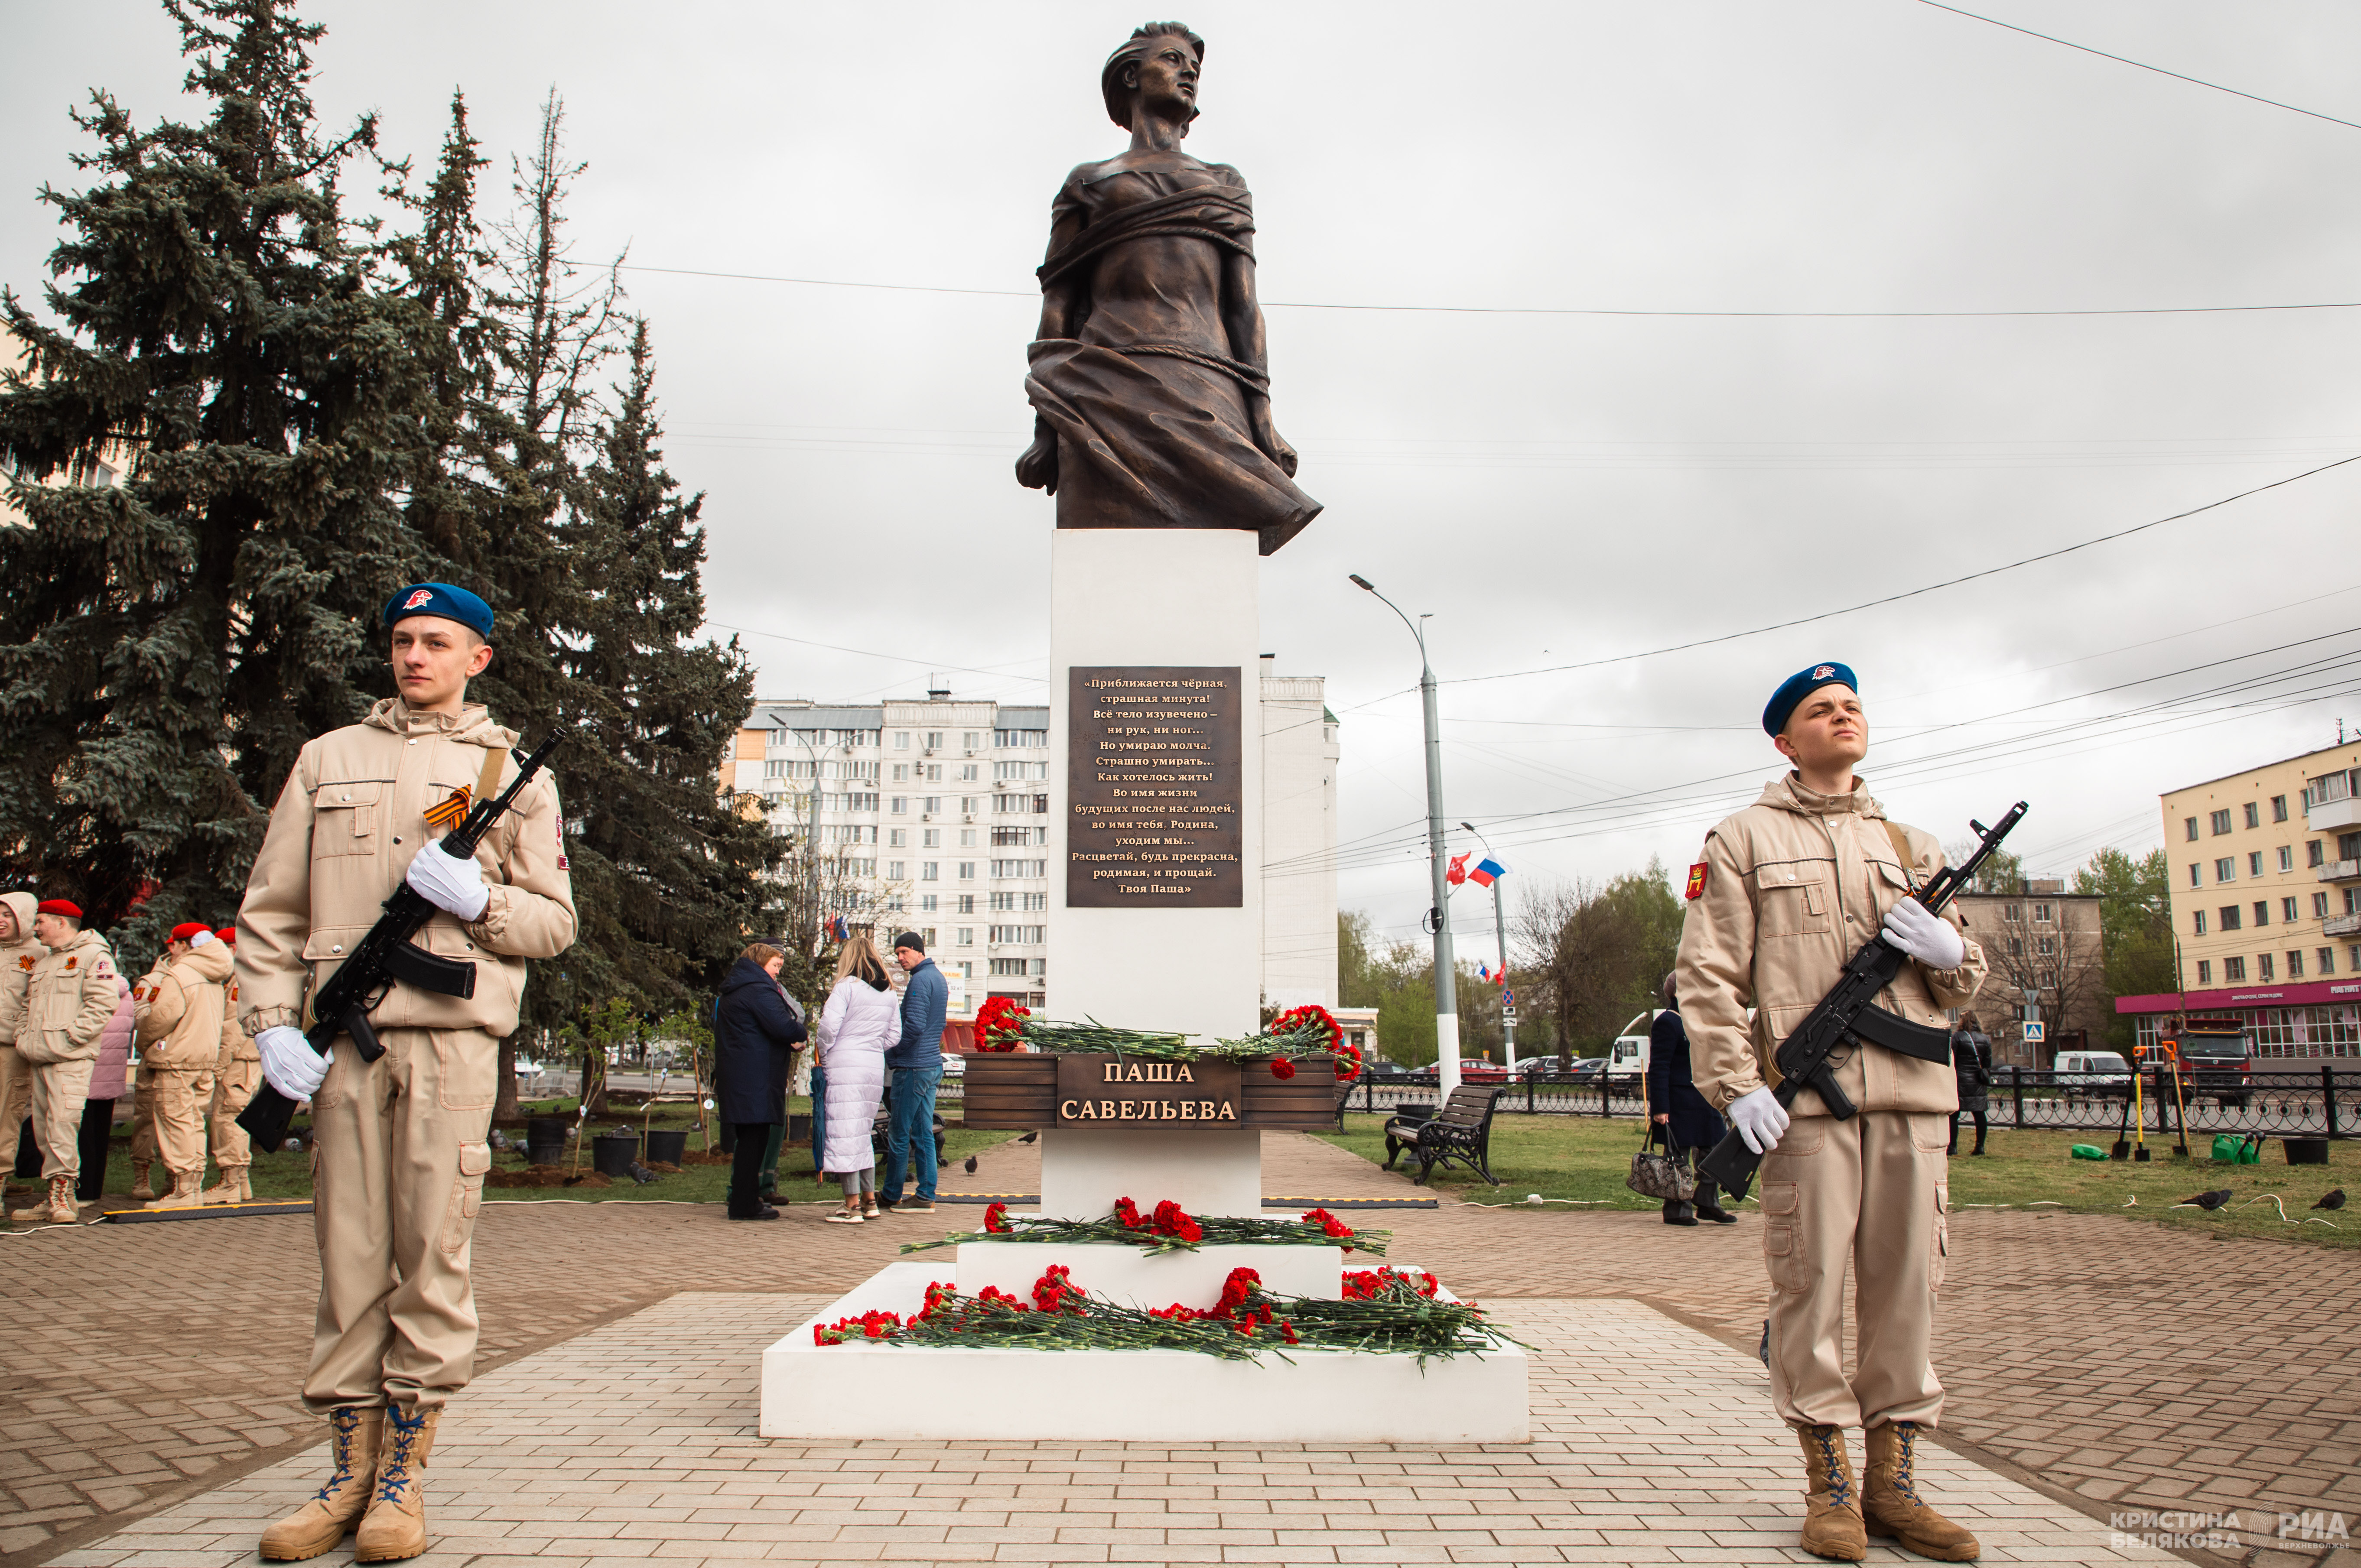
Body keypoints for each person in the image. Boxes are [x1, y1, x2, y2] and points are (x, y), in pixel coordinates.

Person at [237, 581, 574, 1562]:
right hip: (343, 1048)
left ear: (477, 657)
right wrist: (271, 1027)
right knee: (349, 1260)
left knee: (431, 1259)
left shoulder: (508, 771)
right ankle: (345, 1473)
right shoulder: (327, 758)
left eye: (435, 642)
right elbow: (271, 910)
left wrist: (479, 900)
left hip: (450, 1047)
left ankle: (401, 1480)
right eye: (401, 640)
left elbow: (554, 923)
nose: (414, 656)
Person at [1676, 662, 1989, 1564]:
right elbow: (1707, 975)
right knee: (1807, 1291)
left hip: (1913, 1102)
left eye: (1852, 705)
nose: (1843, 715)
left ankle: (1895, 1486)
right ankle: (1831, 1489)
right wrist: (1737, 1086)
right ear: (1786, 740)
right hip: (1806, 1107)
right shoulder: (1742, 838)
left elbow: (1962, 980)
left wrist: (1951, 951)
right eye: (1822, 709)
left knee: (1908, 1294)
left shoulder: (1912, 844)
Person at [1014, 22, 1320, 556]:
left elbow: (1243, 308)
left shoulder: (1224, 183)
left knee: (1213, 556)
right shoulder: (1089, 182)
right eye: (1173, 60)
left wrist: (1263, 423)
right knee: (1102, 560)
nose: (1189, 73)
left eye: (1194, 68)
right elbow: (1058, 304)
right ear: (1132, 76)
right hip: (1102, 385)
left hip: (1207, 385)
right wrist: (1047, 427)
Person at [11, 900, 121, 1223]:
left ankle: (63, 1196)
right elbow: (28, 1005)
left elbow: (103, 1003)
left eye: (41, 921)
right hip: (39, 1055)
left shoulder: (94, 955)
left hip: (69, 1059)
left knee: (63, 1124)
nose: (35, 928)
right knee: (44, 1129)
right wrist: (23, 1035)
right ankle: (57, 1197)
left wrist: (71, 1038)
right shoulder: (47, 960)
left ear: (61, 922)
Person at [130, 923, 229, 1209]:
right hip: (203, 1059)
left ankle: (183, 1191)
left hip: (177, 1059)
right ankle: (193, 1187)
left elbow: (160, 1018)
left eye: (175, 944)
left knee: (176, 1122)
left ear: (185, 945)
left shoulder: (181, 973)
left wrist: (145, 1044)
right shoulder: (214, 974)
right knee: (194, 1122)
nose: (171, 949)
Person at [713, 942, 807, 1222]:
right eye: (775, 965)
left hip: (742, 1074)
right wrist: (800, 1032)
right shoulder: (758, 989)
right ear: (760, 962)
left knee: (748, 1140)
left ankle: (746, 1199)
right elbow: (784, 1025)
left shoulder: (736, 989)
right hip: (757, 1078)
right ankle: (745, 1204)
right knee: (754, 1141)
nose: (778, 972)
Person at [815, 934, 898, 1222]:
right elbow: (894, 1035)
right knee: (862, 1133)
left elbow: (828, 1027)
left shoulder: (846, 987)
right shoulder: (889, 992)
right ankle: (869, 1200)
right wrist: (871, 1046)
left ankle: (851, 1206)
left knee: (844, 1133)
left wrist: (825, 1052)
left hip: (845, 1065)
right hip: (872, 1066)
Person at [1646, 972, 1736, 1227]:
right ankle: (1677, 1209)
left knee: (1716, 1149)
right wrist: (1660, 1108)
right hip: (1679, 1102)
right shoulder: (1667, 1022)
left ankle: (1708, 1202)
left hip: (1705, 1098)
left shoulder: (1701, 1020)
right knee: (1679, 1157)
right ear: (1678, 992)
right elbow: (1659, 1067)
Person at [878, 932, 946, 1214]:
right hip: (930, 1065)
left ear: (919, 950)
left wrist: (893, 1054)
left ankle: (891, 1194)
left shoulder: (919, 980)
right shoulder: (938, 978)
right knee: (923, 1132)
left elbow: (915, 1026)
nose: (900, 958)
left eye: (904, 951)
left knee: (898, 1132)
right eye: (897, 953)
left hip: (913, 1067)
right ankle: (925, 1195)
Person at [204, 926, 261, 1203]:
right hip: (249, 1057)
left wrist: (218, 1066)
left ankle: (230, 1183)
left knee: (228, 1119)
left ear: (234, 949)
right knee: (235, 1118)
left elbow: (233, 1028)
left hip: (239, 1058)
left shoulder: (241, 978)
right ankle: (240, 1183)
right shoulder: (252, 973)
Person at [77, 969, 133, 1202]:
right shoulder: (126, 994)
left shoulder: (89, 992)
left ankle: (82, 1190)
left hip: (87, 1072)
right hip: (112, 1074)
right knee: (101, 1135)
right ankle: (95, 1190)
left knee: (83, 1134)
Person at [0, 891, 39, 1165]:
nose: (1, 921)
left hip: (11, 1049)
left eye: (7, 915)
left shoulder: (42, 953)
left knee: (6, 1114)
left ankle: (1, 1178)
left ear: (23, 918)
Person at [1948, 1029, 1992, 1157]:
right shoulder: (1985, 1039)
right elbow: (1987, 1064)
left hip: (1960, 1081)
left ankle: (1953, 1147)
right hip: (1977, 1082)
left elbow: (1952, 1059)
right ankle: (1980, 1147)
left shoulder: (1957, 1037)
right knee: (1979, 1114)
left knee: (1954, 1114)